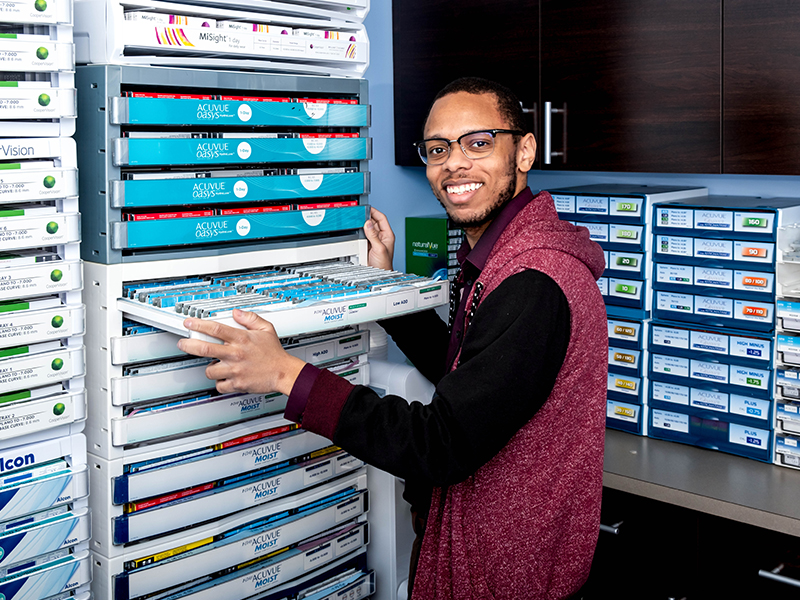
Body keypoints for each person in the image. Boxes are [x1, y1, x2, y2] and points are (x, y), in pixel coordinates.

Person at [177, 77, 608, 600]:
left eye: (479, 143)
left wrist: (285, 374)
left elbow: (440, 443)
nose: (455, 164)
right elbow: (468, 376)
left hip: (504, 575)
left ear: (524, 151)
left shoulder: (533, 284)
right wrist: (384, 286)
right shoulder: (513, 257)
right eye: (438, 149)